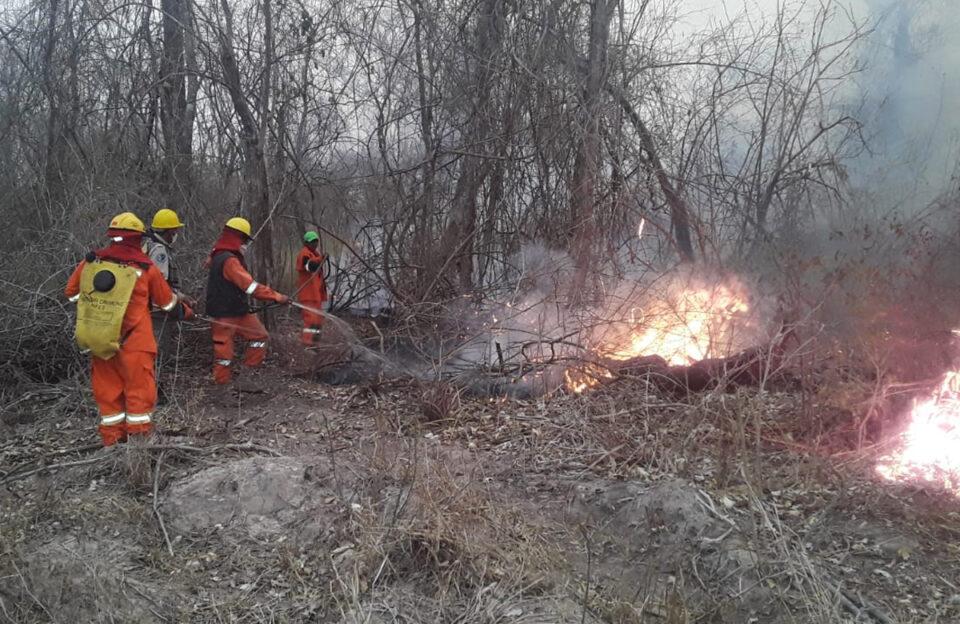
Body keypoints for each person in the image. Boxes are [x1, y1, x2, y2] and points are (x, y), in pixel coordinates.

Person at [65, 213, 193, 446]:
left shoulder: (91, 262)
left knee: (108, 395)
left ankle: (113, 444)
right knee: (139, 393)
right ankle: (140, 445)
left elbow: (72, 293)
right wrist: (185, 312)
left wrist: (99, 306)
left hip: (101, 338)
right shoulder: (145, 267)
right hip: (136, 342)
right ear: (138, 239)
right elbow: (166, 302)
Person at [205, 217, 289, 385]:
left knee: (260, 337)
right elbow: (250, 287)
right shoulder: (229, 260)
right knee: (224, 356)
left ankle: (247, 377)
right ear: (237, 237)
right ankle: (221, 389)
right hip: (224, 315)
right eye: (244, 240)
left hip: (239, 311)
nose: (245, 245)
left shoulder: (218, 255)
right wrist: (277, 296)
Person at [142, 208, 187, 401]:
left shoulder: (147, 245)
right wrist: (179, 302)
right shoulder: (159, 250)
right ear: (168, 232)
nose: (175, 235)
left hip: (145, 308)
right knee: (158, 352)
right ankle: (154, 393)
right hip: (157, 311)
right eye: (174, 231)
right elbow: (159, 284)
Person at [295, 231, 328, 345]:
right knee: (310, 322)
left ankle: (315, 343)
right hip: (308, 296)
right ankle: (307, 345)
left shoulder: (315, 254)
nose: (314, 244)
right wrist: (321, 259)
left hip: (315, 295)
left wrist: (321, 258)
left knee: (317, 321)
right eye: (312, 242)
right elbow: (310, 267)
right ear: (306, 243)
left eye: (316, 241)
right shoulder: (304, 254)